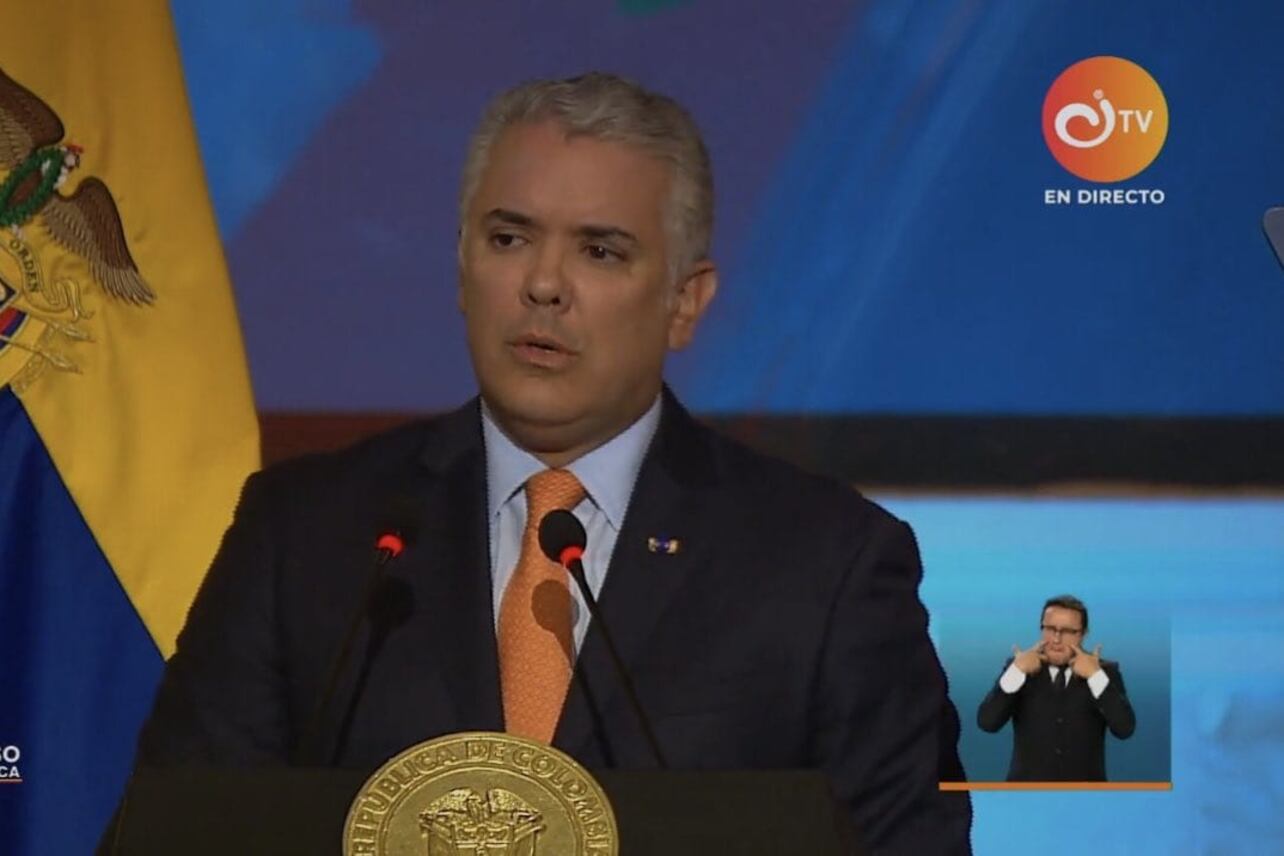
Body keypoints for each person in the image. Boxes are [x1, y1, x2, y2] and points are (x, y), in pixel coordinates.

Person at [132, 72, 971, 852]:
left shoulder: (827, 565)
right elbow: (188, 830)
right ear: (463, 266)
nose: (543, 284)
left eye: (600, 251)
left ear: (686, 301)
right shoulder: (305, 534)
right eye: (508, 237)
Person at [977, 594, 1136, 781]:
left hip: (1086, 796)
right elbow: (987, 723)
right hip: (1025, 795)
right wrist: (1016, 672)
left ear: (1083, 633)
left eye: (1068, 631)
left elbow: (1124, 729)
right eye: (1050, 628)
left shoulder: (1105, 672)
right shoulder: (1019, 667)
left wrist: (1095, 676)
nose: (1056, 639)